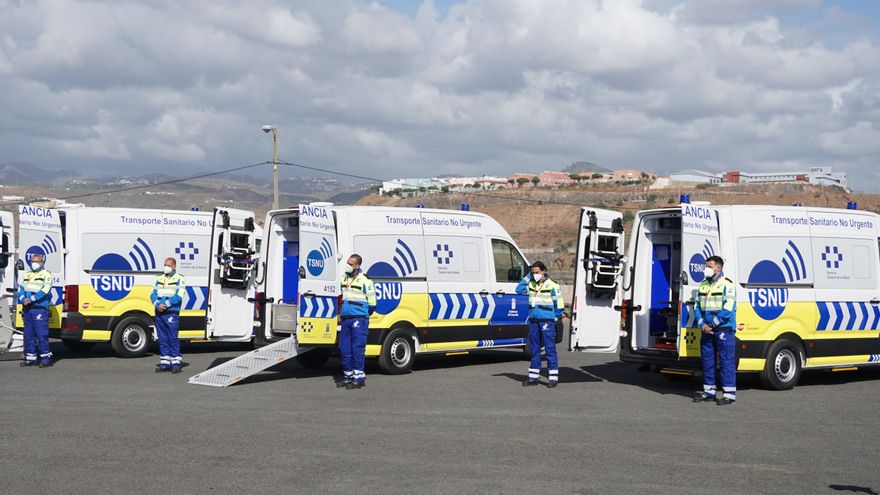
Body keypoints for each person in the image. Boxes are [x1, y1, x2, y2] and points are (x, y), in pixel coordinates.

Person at [692, 255, 738, 405]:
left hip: (723, 329)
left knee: (726, 362)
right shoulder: (703, 284)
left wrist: (712, 324)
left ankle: (729, 395)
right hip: (707, 329)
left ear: (718, 268)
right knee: (707, 361)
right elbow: (696, 306)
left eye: (709, 267)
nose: (706, 269)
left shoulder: (728, 285)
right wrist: (702, 324)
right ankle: (709, 392)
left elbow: (728, 309)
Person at [517, 261, 565, 387]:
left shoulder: (553, 285)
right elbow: (519, 289)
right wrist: (528, 276)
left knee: (550, 350)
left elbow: (559, 305)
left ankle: (553, 378)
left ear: (544, 271)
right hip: (534, 322)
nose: (535, 275)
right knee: (534, 350)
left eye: (537, 272)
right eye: (533, 273)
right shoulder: (531, 283)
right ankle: (533, 378)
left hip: (547, 322)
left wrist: (554, 318)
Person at [337, 254, 376, 390]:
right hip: (346, 318)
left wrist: (364, 314)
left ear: (357, 266)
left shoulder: (365, 281)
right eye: (347, 263)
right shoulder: (344, 278)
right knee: (344, 349)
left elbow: (372, 303)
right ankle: (348, 377)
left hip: (359, 318)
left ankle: (359, 379)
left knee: (357, 348)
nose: (348, 266)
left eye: (350, 264)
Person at [17, 254, 53, 367]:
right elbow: (20, 289)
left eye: (36, 261)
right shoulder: (27, 274)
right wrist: (23, 299)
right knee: (28, 335)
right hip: (28, 309)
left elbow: (45, 290)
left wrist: (32, 299)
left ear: (42, 262)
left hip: (40, 308)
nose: (34, 263)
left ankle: (45, 359)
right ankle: (30, 358)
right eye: (32, 261)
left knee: (41, 334)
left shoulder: (46, 274)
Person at [151, 257, 185, 374]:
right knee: (162, 338)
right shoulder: (159, 278)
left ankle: (176, 363)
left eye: (169, 265)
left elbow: (179, 296)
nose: (166, 267)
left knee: (173, 337)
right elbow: (153, 294)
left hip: (171, 312)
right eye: (165, 264)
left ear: (174, 267)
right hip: (159, 312)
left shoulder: (179, 278)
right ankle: (165, 363)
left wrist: (165, 305)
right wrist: (157, 304)